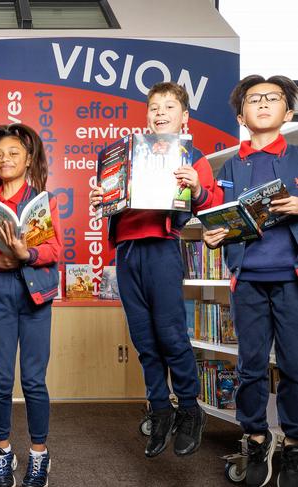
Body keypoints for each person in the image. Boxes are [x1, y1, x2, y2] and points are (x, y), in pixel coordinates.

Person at [89, 81, 220, 458]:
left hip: (162, 249)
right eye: (154, 107)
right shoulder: (125, 154)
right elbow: (109, 203)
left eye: (169, 107)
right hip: (128, 253)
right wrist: (102, 197)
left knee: (171, 337)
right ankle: (160, 410)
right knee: (145, 342)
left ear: (184, 117)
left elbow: (209, 206)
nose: (160, 112)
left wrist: (196, 189)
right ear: (147, 115)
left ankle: (191, 410)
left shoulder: (192, 157)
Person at [203, 75, 298, 487]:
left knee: (295, 364)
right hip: (248, 280)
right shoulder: (228, 166)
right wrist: (212, 234)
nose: (262, 104)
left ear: (289, 111)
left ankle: (293, 443)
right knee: (251, 366)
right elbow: (220, 215)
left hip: (292, 279)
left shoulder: (297, 157)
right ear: (241, 115)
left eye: (272, 98)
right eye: (253, 100)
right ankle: (256, 438)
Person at [0, 123, 61, 487]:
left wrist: (28, 253)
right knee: (0, 380)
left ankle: (39, 455)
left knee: (34, 380)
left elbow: (54, 251)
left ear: (28, 159)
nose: (5, 159)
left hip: (35, 296)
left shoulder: (41, 201)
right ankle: (3, 451)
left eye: (14, 154)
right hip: (0, 294)